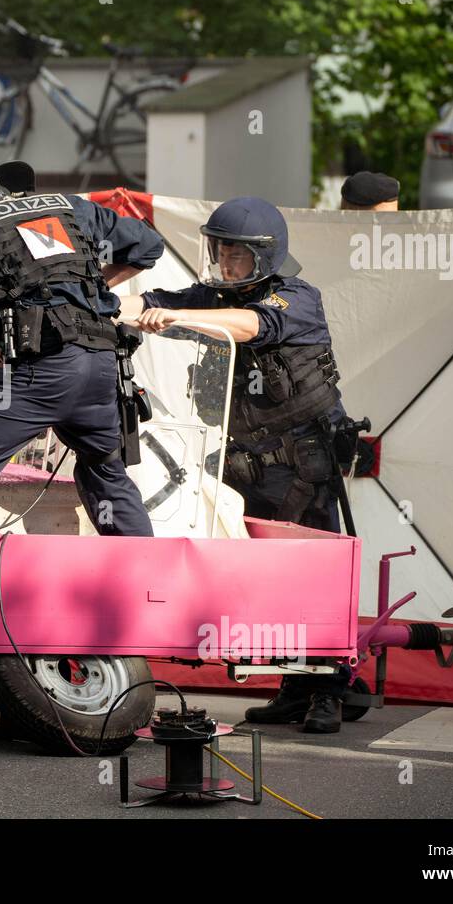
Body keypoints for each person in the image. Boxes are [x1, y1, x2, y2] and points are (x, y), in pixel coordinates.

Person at [132, 195, 350, 733]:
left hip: (303, 463)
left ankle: (329, 689)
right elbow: (157, 300)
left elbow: (252, 325)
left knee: (313, 574)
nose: (226, 267)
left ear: (266, 257)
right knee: (263, 576)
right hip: (242, 461)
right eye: (220, 254)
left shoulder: (297, 298)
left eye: (237, 258)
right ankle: (294, 685)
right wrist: (119, 308)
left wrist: (181, 315)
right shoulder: (210, 296)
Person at [0, 159, 161, 536]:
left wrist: (5, 337)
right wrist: (93, 295)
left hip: (41, 371)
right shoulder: (69, 206)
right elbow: (147, 245)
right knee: (105, 471)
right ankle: (149, 583)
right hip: (102, 367)